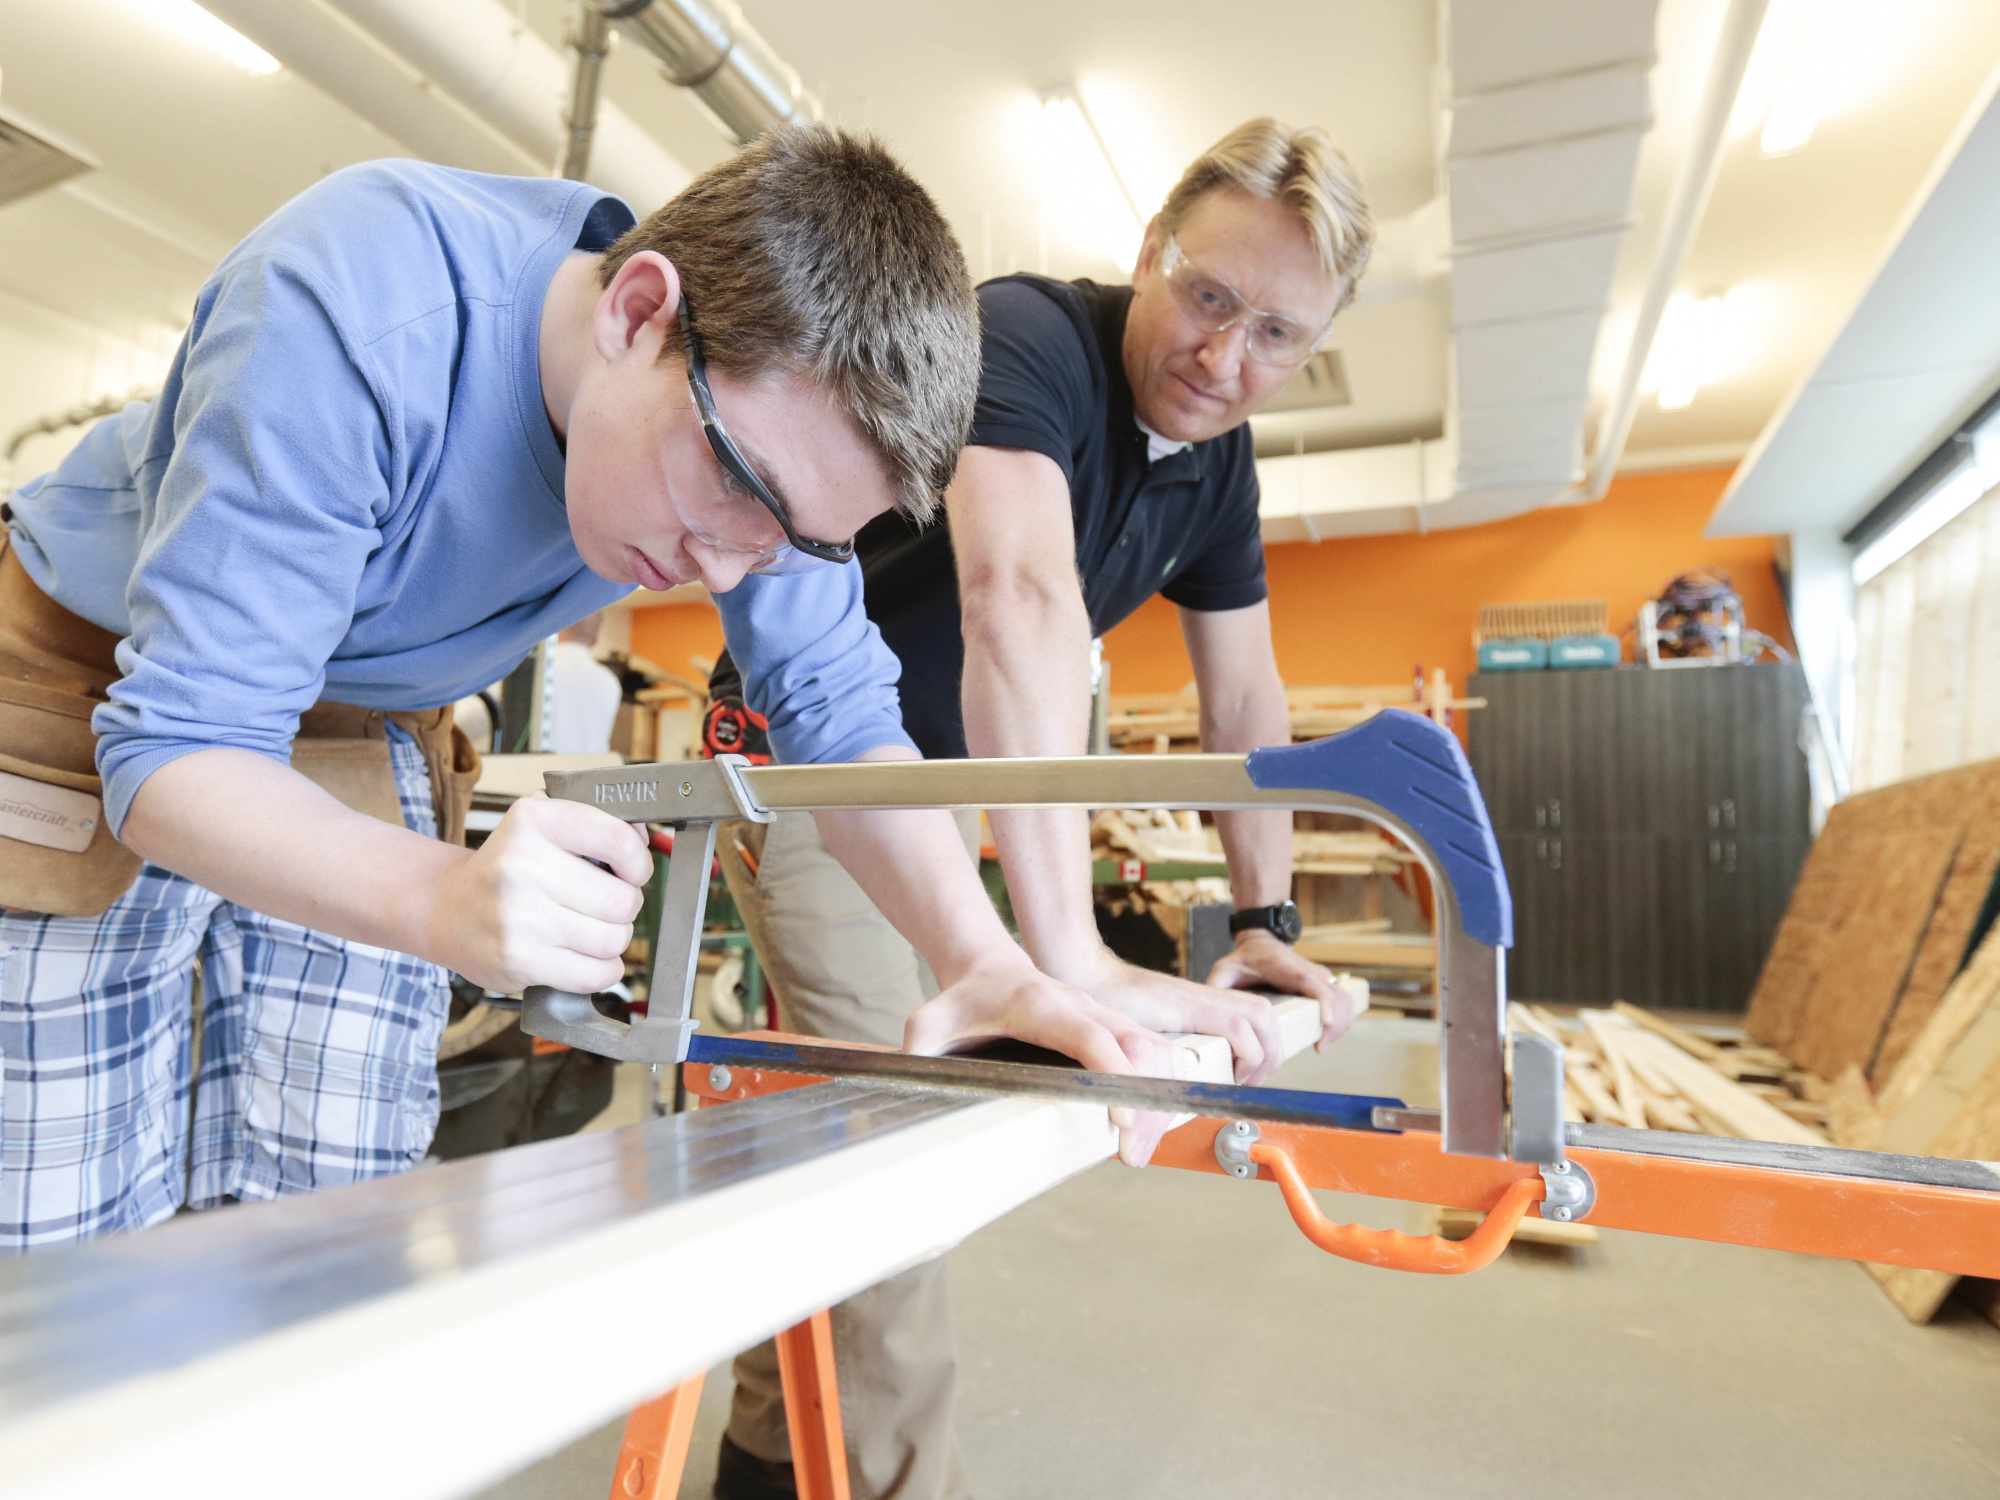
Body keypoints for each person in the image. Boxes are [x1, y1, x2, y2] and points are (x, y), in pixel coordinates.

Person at [0, 126, 1199, 1254]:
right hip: (84, 682)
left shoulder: (765, 462)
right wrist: (441, 900)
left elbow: (838, 718)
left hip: (355, 728)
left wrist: (980, 962)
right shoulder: (366, 292)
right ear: (639, 311)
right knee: (50, 1239)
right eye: (738, 495)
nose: (730, 569)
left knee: (325, 1230)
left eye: (795, 545)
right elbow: (183, 744)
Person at [711, 118, 1378, 1500]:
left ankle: (766, 1461)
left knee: (838, 1140)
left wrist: (1259, 920)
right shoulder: (1020, 338)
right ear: (1151, 253)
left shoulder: (1218, 462)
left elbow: (1243, 696)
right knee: (889, 1139)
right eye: (1206, 299)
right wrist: (1062, 948)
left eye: (1275, 337)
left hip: (946, 792)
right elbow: (1015, 597)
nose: (1223, 357)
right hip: (814, 769)